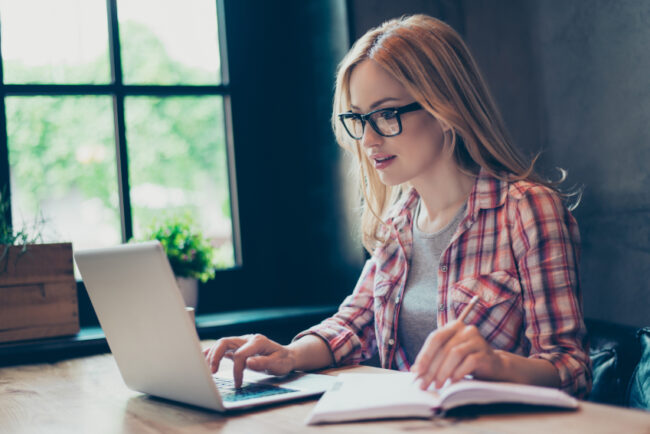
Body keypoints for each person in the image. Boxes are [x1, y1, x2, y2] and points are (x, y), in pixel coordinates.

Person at [204, 14, 592, 398]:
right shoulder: (398, 222)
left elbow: (571, 368)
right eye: (358, 118)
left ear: (444, 108)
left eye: (386, 114)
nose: (368, 139)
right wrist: (287, 355)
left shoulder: (527, 211)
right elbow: (354, 325)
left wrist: (495, 364)